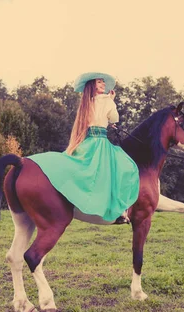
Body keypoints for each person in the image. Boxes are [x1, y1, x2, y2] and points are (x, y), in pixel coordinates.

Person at [27, 72, 139, 224]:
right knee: (124, 166)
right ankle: (119, 211)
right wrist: (111, 101)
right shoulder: (107, 100)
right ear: (92, 85)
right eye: (100, 82)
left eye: (103, 82)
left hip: (86, 142)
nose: (103, 85)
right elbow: (114, 118)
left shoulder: (86, 103)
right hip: (100, 143)